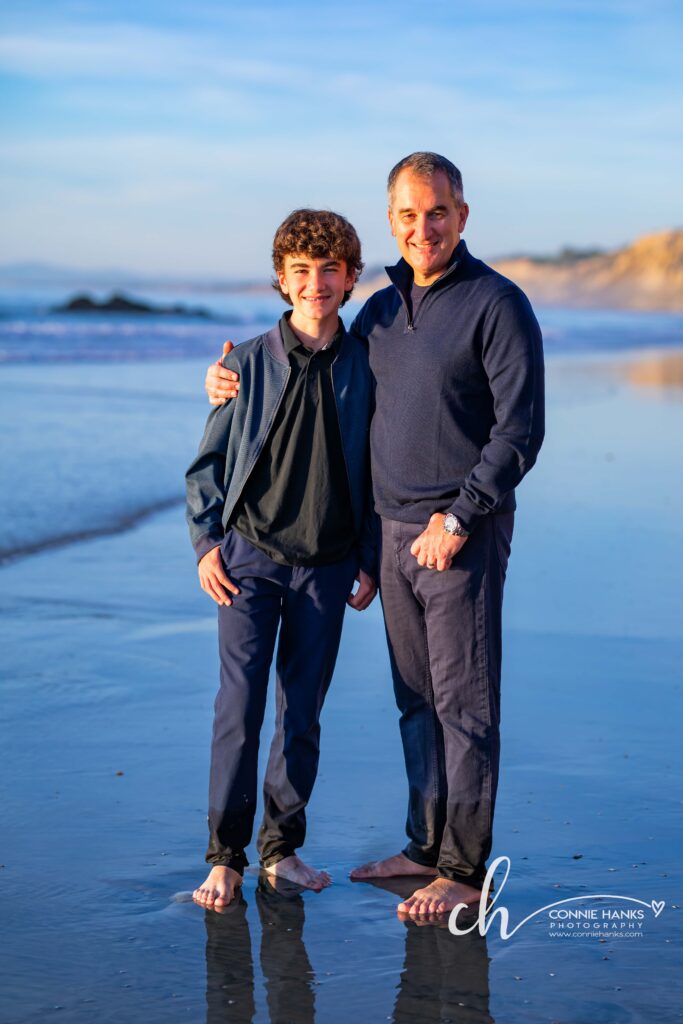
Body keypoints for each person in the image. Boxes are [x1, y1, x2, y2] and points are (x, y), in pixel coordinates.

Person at [205, 153, 545, 916]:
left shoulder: (497, 303)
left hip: (458, 535)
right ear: (390, 219)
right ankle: (423, 846)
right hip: (387, 540)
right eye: (406, 214)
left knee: (464, 704)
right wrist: (229, 381)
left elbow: (519, 432)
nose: (421, 229)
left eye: (436, 212)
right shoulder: (380, 313)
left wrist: (458, 518)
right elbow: (314, 383)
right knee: (415, 701)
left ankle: (461, 866)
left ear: (461, 215)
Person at [186, 208, 377, 911]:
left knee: (303, 712)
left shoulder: (367, 363)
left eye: (329, 270)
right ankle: (225, 857)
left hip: (326, 566)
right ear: (281, 279)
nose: (315, 283)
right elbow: (205, 464)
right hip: (247, 559)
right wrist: (206, 545)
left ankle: (281, 849)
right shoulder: (242, 365)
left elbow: (377, 471)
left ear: (351, 277)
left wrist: (369, 558)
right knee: (238, 707)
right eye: (301, 271)